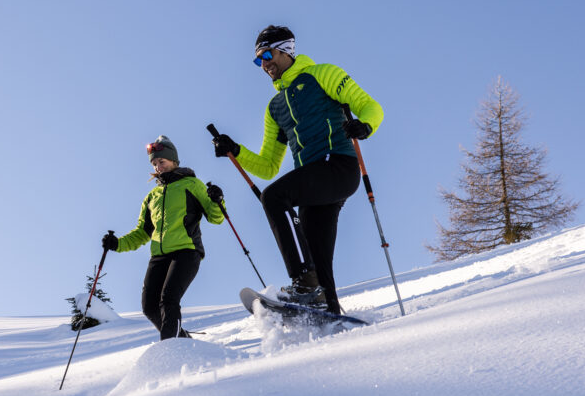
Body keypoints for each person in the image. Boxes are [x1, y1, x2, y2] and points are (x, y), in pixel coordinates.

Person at [211, 25, 384, 315]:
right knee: (318, 262)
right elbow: (268, 166)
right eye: (258, 60)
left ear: (287, 50)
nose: (264, 64)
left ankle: (302, 285)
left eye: (267, 54)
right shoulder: (275, 107)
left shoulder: (323, 74)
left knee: (274, 197)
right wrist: (235, 150)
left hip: (338, 166)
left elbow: (370, 105)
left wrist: (365, 125)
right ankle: (329, 312)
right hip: (312, 185)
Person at [102, 135, 226, 340]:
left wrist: (217, 199)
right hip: (159, 256)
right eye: (155, 163)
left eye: (162, 161)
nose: (159, 166)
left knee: (169, 299)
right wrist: (117, 244)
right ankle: (183, 342)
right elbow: (142, 232)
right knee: (149, 306)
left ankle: (171, 349)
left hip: (186, 251)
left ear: (174, 161)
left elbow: (216, 217)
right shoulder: (152, 196)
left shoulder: (192, 184)